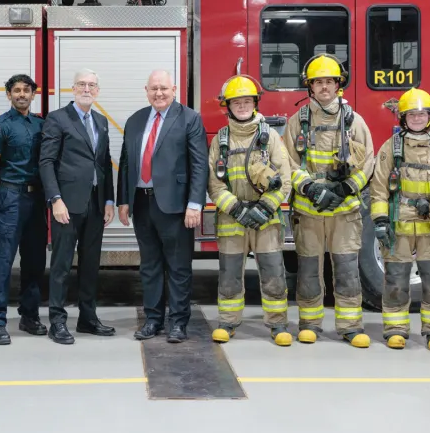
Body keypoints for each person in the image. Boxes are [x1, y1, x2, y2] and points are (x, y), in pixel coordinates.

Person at [282, 54, 374, 348]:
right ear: (310, 86)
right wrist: (308, 187)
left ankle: (350, 327)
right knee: (309, 270)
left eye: (329, 82)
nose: (324, 87)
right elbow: (287, 162)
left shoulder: (353, 121)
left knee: (347, 268)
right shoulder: (298, 121)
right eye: (318, 82)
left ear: (338, 85)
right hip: (308, 211)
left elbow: (368, 162)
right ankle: (310, 324)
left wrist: (347, 188)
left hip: (344, 212)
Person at [118, 69, 208, 343]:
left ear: (175, 89)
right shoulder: (135, 120)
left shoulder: (189, 118)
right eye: (154, 88)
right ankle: (153, 320)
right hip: (142, 203)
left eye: (164, 88)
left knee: (179, 267)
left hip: (176, 206)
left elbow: (199, 164)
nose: (159, 93)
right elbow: (125, 162)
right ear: (146, 90)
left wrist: (195, 204)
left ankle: (178, 323)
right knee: (150, 266)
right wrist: (123, 199)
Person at [368, 87, 430, 352]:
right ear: (402, 118)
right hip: (400, 224)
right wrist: (381, 221)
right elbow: (379, 188)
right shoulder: (391, 148)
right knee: (396, 278)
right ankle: (395, 329)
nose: (417, 119)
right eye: (412, 115)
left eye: (422, 114)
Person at [207, 75, 295, 346]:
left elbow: (286, 178)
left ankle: (278, 324)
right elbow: (213, 183)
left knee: (273, 271)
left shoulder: (269, 137)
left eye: (247, 101)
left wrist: (266, 208)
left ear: (255, 103)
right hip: (233, 220)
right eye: (237, 102)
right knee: (230, 273)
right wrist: (237, 209)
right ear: (228, 106)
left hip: (266, 221)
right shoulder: (220, 140)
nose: (242, 106)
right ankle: (228, 322)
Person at [39, 69, 116, 345]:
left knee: (90, 264)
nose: (87, 89)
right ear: (73, 88)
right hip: (66, 205)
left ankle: (88, 318)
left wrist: (109, 200)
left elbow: (104, 163)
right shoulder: (57, 119)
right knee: (60, 265)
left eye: (92, 85)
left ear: (97, 90)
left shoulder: (100, 121)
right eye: (82, 84)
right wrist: (55, 199)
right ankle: (57, 321)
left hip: (95, 204)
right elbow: (46, 162)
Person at [0, 74, 48, 344]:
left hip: (37, 198)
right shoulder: (0, 127)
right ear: (8, 95)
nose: (22, 94)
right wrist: (8, 190)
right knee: (3, 261)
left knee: (34, 261)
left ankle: (29, 316)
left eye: (26, 90)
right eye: (16, 90)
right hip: (11, 196)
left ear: (33, 94)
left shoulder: (41, 124)